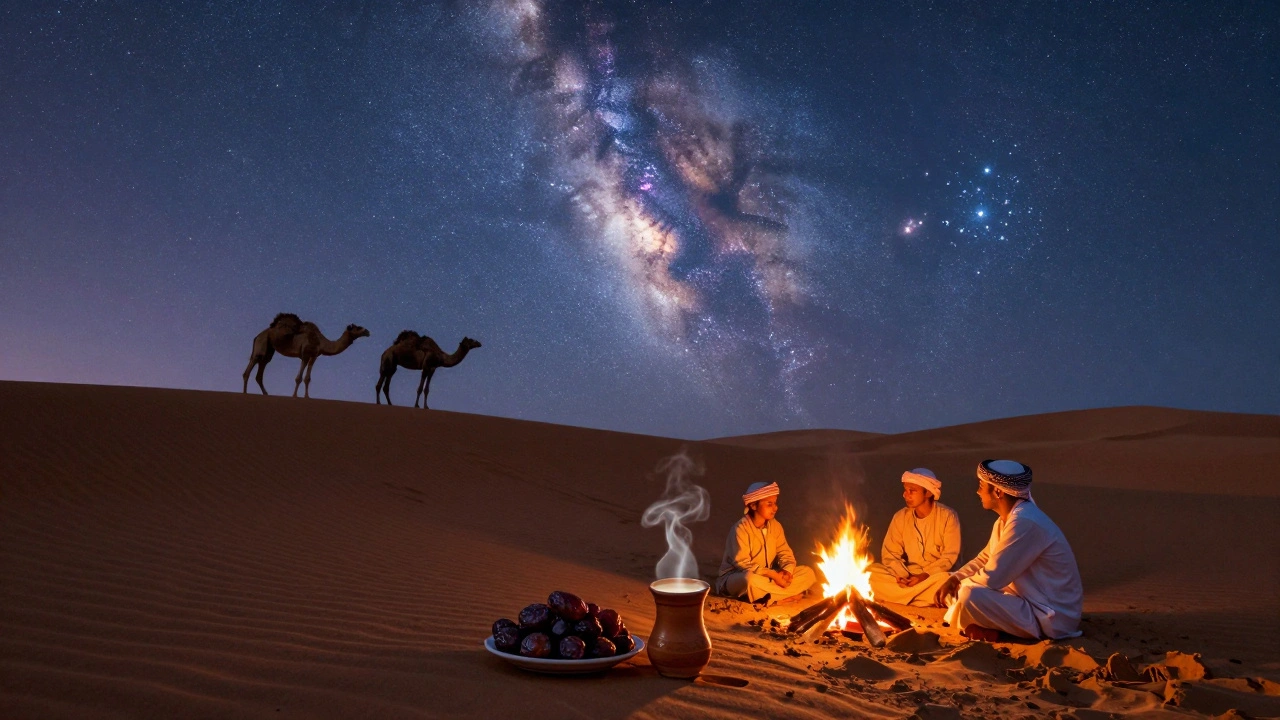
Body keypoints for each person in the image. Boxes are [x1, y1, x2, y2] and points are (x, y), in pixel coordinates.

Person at [935, 460, 1084, 641]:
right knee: (958, 589)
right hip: (1027, 600)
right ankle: (991, 629)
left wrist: (961, 585)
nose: (978, 492)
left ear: (998, 491)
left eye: (981, 486)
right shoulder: (1006, 521)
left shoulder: (1025, 522)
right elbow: (985, 558)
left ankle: (1004, 633)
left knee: (970, 595)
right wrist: (955, 578)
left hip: (1051, 615)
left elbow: (992, 578)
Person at [867, 468, 962, 606]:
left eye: (912, 490)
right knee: (870, 572)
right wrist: (902, 576)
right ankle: (923, 599)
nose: (906, 495)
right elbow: (890, 554)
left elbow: (949, 557)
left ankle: (902, 597)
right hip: (908, 576)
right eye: (905, 490)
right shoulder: (900, 517)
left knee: (947, 581)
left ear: (928, 492)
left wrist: (924, 576)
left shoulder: (948, 516)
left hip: (935, 577)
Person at [715, 481, 817, 605]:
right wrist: (773, 575)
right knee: (749, 580)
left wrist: (787, 572)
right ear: (753, 506)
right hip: (738, 577)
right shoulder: (740, 529)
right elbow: (742, 563)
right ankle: (782, 598)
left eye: (775, 503)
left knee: (808, 572)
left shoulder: (775, 526)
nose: (775, 508)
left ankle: (771, 597)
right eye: (769, 504)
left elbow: (785, 552)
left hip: (767, 578)